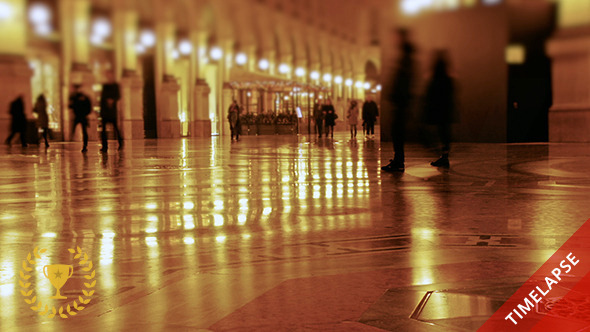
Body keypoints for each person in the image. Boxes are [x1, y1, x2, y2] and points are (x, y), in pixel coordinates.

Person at [382, 28, 416, 172]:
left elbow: (402, 81)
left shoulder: (405, 59)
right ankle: (398, 159)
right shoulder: (405, 58)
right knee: (397, 131)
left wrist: (395, 94)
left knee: (397, 132)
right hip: (401, 101)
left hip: (401, 101)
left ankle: (399, 161)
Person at [423, 50, 456, 168]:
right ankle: (444, 156)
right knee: (445, 134)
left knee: (439, 133)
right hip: (445, 112)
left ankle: (443, 156)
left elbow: (430, 95)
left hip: (438, 111)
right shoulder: (448, 79)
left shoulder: (435, 79)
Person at [100, 73, 123, 152]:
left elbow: (118, 96)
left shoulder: (115, 86)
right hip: (105, 111)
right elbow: (102, 97)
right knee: (103, 130)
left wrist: (112, 100)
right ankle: (104, 146)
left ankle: (121, 142)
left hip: (112, 111)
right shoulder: (105, 86)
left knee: (116, 128)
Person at [69, 84, 92, 152]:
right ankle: (84, 145)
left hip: (80, 116)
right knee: (82, 131)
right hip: (81, 116)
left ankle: (84, 145)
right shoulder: (77, 97)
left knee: (81, 131)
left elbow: (71, 105)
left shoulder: (75, 97)